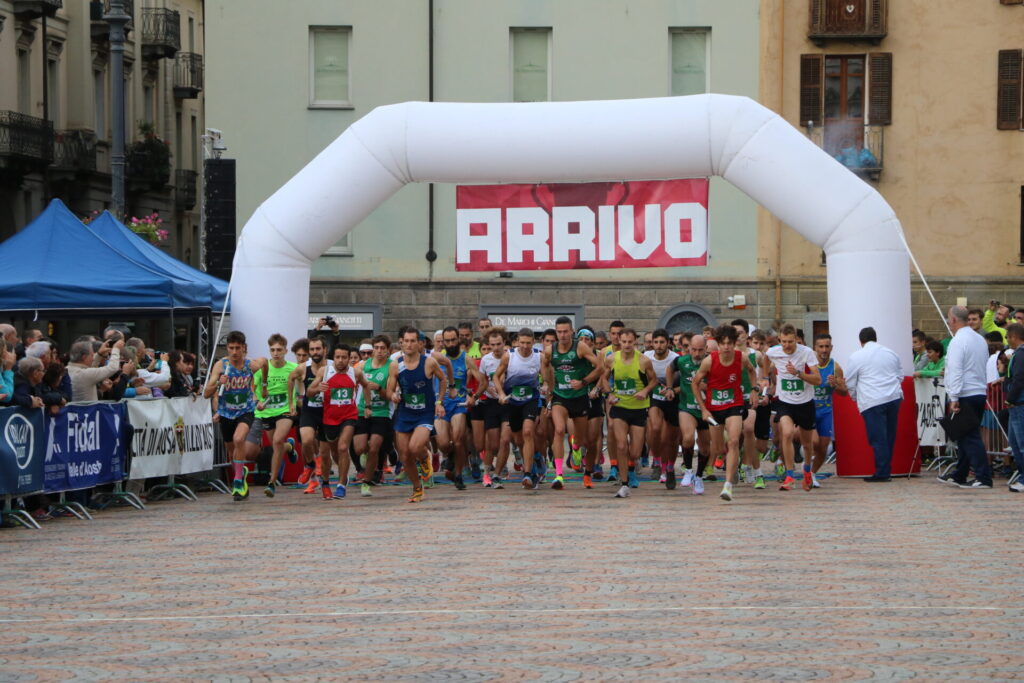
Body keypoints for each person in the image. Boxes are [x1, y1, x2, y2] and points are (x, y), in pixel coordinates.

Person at [691, 324, 759, 501]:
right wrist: (703, 408)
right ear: (718, 343)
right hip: (713, 408)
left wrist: (754, 390)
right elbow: (695, 383)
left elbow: (752, 372)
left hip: (734, 405)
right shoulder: (709, 360)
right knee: (719, 447)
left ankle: (727, 486)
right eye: (723, 343)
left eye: (730, 343)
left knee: (734, 441)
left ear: (734, 343)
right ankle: (732, 464)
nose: (726, 347)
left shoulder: (741, 357)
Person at [833, 327, 903, 482]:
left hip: (872, 400)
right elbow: (900, 376)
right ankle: (885, 469)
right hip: (893, 397)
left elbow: (850, 381)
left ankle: (882, 473)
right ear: (875, 338)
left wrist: (855, 398)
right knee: (889, 436)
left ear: (861, 341)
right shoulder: (891, 353)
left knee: (878, 438)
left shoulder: (857, 356)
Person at [386, 327, 448, 503]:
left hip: (424, 413)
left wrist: (439, 402)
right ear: (401, 343)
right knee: (404, 455)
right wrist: (393, 395)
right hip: (405, 412)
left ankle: (424, 459)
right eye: (406, 341)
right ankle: (417, 488)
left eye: (413, 341)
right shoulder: (395, 364)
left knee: (415, 447)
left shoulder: (428, 362)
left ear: (419, 343)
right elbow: (390, 389)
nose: (409, 344)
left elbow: (443, 379)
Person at [542, 317, 603, 489]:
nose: (562, 335)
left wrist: (583, 382)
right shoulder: (549, 350)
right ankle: (559, 475)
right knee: (559, 430)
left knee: (583, 440)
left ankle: (576, 448)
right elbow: (545, 367)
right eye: (559, 332)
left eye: (565, 331)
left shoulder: (580, 347)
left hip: (580, 396)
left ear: (571, 332)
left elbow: (600, 367)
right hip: (560, 397)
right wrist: (547, 385)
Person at [204, 331, 264, 502]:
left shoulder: (250, 365)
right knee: (233, 451)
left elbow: (265, 364)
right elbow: (206, 394)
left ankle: (237, 481)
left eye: (238, 348)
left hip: (245, 410)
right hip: (226, 413)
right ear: (227, 348)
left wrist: (264, 386)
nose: (235, 352)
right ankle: (241, 473)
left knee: (239, 440)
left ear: (244, 348)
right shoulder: (220, 366)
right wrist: (217, 383)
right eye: (231, 348)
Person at [938, 306, 992, 489]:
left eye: (948, 319)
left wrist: (953, 396)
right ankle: (960, 474)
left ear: (953, 320)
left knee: (969, 436)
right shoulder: (979, 339)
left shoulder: (958, 341)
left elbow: (955, 369)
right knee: (965, 435)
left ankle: (983, 477)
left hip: (965, 393)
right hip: (978, 391)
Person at [308, 344, 370, 499]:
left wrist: (367, 406)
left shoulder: (355, 372)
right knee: (326, 452)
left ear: (349, 359)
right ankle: (326, 482)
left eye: (344, 357)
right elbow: (309, 392)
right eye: (337, 357)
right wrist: (317, 389)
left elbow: (366, 386)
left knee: (343, 448)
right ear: (332, 358)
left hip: (349, 415)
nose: (341, 361)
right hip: (328, 418)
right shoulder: (325, 372)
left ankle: (341, 485)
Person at [765, 324, 821, 491]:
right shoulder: (774, 352)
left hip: (805, 402)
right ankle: (789, 475)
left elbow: (817, 380)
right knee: (787, 433)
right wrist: (764, 376)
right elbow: (765, 358)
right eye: (783, 342)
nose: (787, 345)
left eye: (790, 342)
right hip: (785, 402)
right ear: (779, 340)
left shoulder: (806, 352)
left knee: (806, 443)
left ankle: (806, 471)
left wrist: (798, 373)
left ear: (796, 339)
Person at [602, 328, 657, 498]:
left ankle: (632, 467)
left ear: (635, 342)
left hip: (639, 408)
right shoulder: (611, 359)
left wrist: (645, 391)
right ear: (619, 340)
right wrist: (609, 393)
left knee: (634, 452)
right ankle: (624, 483)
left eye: (630, 342)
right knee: (620, 445)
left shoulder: (644, 361)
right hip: (620, 406)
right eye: (624, 341)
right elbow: (603, 378)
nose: (626, 345)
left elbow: (654, 380)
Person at [247, 334, 298, 498]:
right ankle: (289, 447)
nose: (276, 353)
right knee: (277, 445)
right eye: (273, 350)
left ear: (285, 350)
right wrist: (258, 402)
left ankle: (272, 482)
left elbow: (303, 384)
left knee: (277, 440)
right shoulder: (264, 368)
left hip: (285, 409)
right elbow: (254, 389)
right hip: (267, 411)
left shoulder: (293, 368)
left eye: (279, 350)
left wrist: (295, 402)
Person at [493, 328, 544, 489]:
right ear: (517, 342)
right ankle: (534, 458)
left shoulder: (538, 357)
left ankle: (527, 474)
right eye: (522, 342)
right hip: (513, 401)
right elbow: (495, 376)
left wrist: (547, 385)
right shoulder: (510, 356)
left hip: (531, 399)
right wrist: (500, 393)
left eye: (528, 343)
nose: (525, 346)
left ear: (533, 342)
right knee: (519, 439)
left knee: (528, 431)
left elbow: (549, 375)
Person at [435, 326, 485, 491]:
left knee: (458, 440)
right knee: (442, 443)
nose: (450, 344)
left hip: (459, 404)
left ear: (458, 340)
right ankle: (448, 457)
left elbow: (483, 381)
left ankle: (458, 474)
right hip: (441, 404)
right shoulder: (437, 358)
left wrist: (474, 397)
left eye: (452, 340)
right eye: (446, 341)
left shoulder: (466, 359)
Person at [665, 332, 712, 494]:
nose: (697, 354)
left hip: (707, 410)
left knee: (706, 448)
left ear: (706, 348)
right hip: (687, 407)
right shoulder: (682, 361)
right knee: (687, 437)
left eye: (700, 350)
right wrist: (670, 388)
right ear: (688, 348)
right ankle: (688, 470)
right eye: (694, 350)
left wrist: (709, 386)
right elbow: (669, 369)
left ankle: (698, 477)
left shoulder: (711, 362)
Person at [353, 335, 396, 494]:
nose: (379, 351)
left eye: (382, 348)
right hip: (363, 409)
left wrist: (378, 388)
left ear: (388, 351)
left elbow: (390, 394)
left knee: (374, 447)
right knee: (359, 448)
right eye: (376, 348)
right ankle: (364, 457)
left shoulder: (392, 366)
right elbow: (358, 385)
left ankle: (367, 481)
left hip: (382, 411)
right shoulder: (364, 366)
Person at [289, 336, 329, 494]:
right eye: (312, 349)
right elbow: (290, 379)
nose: (315, 352)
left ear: (324, 350)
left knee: (327, 452)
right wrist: (291, 403)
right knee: (306, 441)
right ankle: (311, 465)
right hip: (309, 410)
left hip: (327, 412)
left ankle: (327, 482)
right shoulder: (302, 368)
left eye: (318, 349)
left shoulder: (332, 365)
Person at [644, 328, 679, 488]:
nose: (658, 346)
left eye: (661, 342)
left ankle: (669, 467)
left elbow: (684, 382)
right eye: (655, 342)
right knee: (655, 429)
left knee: (668, 438)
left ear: (668, 343)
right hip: (654, 398)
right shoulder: (646, 357)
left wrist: (672, 389)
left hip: (672, 400)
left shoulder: (675, 359)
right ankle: (657, 461)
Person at [811, 333, 843, 488]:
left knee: (823, 447)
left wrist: (836, 384)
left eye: (827, 346)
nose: (824, 350)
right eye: (821, 346)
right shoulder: (808, 365)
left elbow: (844, 392)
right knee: (814, 441)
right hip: (809, 410)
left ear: (831, 348)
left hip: (826, 411)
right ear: (815, 348)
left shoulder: (835, 367)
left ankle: (811, 473)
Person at [1001, 324, 1024, 492]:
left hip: (1019, 404)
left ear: (1014, 337)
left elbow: (1018, 379)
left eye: (1008, 337)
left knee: (1021, 444)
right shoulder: (1018, 354)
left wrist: (1010, 398)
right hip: (1016, 404)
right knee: (1015, 444)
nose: (1007, 340)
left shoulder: (1020, 355)